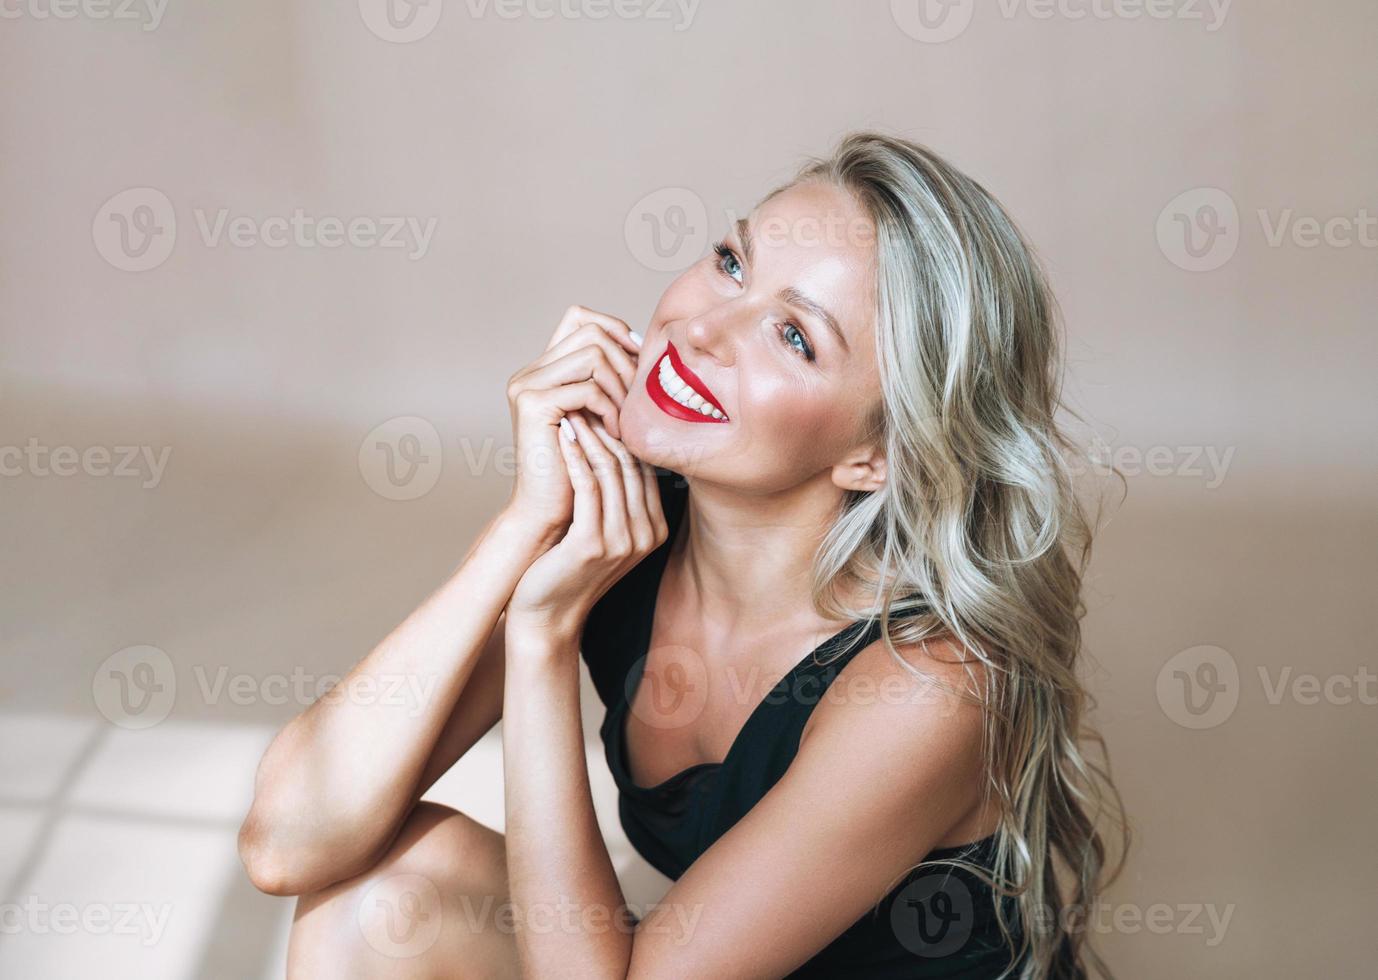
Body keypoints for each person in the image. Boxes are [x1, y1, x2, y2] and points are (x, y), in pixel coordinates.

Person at [238, 131, 1128, 978]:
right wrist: (521, 530)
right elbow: (289, 840)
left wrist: (545, 637)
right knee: (377, 900)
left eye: (793, 336)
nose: (704, 329)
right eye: (733, 263)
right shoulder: (625, 528)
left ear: (879, 455)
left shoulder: (929, 687)